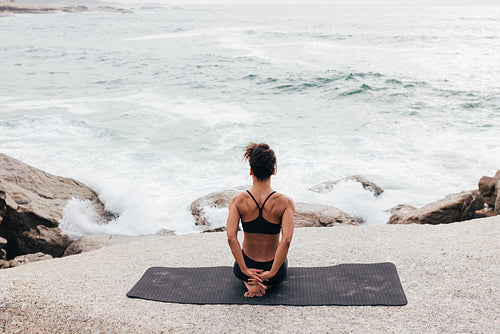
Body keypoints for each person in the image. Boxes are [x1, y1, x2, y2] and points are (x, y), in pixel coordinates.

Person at [226, 143, 295, 298]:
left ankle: (250, 281)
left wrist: (244, 269)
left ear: (251, 171)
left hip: (246, 267)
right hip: (275, 272)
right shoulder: (285, 202)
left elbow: (231, 238)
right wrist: (273, 271)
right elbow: (287, 240)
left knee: (240, 270)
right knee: (279, 269)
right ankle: (266, 282)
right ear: (273, 171)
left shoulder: (238, 201)